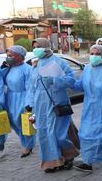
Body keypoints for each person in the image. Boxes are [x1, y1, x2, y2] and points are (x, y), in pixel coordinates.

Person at [25, 37, 79, 172]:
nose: (36, 49)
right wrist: (29, 103)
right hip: (40, 104)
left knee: (57, 133)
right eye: (34, 47)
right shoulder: (35, 64)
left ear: (46, 47)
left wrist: (55, 81)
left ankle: (69, 155)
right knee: (43, 132)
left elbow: (71, 80)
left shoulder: (58, 61)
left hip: (57, 101)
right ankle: (52, 162)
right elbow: (31, 86)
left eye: (39, 46)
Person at [71, 44, 102, 172]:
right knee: (86, 134)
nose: (94, 56)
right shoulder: (87, 69)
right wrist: (67, 80)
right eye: (92, 53)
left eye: (97, 54)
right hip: (90, 107)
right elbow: (80, 85)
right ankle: (87, 161)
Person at [1, 45, 34, 157]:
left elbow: (30, 87)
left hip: (22, 97)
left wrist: (28, 103)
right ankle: (25, 142)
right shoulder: (10, 68)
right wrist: (3, 69)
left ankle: (28, 145)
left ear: (19, 56)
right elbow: (1, 81)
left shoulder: (27, 69)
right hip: (10, 98)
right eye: (7, 55)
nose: (8, 57)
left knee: (24, 123)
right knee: (14, 122)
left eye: (11, 55)